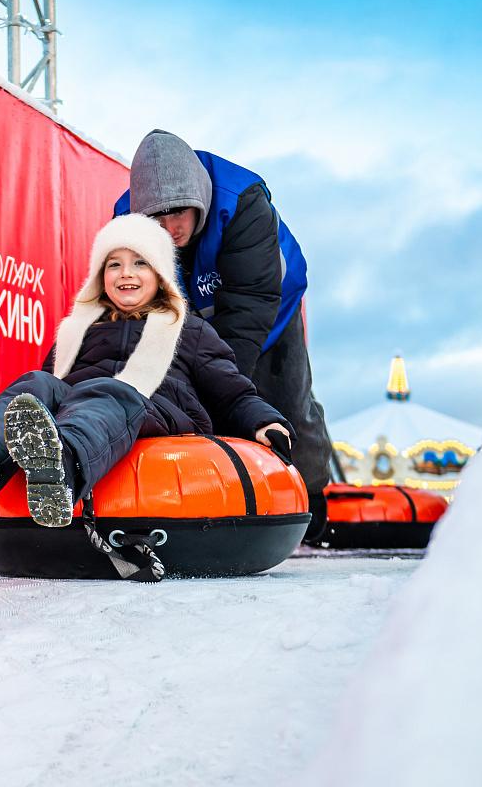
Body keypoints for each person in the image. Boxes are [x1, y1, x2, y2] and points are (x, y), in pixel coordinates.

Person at [0, 213, 293, 532]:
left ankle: (62, 468)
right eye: (114, 264)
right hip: (80, 411)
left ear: (161, 274)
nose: (126, 274)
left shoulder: (188, 330)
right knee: (38, 383)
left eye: (140, 263)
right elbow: (40, 403)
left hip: (151, 410)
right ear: (100, 275)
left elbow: (232, 392)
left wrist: (264, 422)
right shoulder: (78, 330)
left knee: (112, 389)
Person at [115, 129, 332, 542]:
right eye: (155, 219)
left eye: (178, 213)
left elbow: (249, 306)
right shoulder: (125, 224)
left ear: (199, 199)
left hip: (268, 310)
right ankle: (209, 497)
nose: (169, 228)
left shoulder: (243, 201)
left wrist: (224, 389)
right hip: (189, 317)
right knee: (177, 402)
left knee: (284, 404)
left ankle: (314, 503)